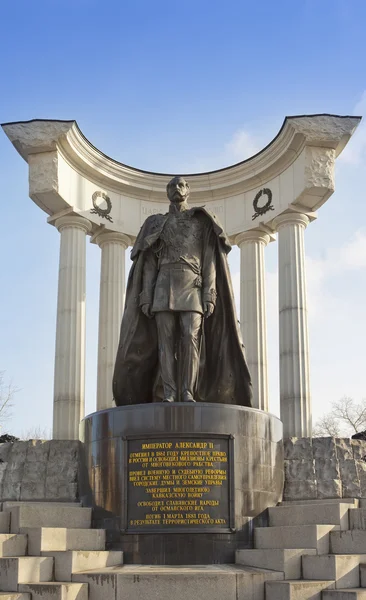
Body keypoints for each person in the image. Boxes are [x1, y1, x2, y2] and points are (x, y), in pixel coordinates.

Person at [113, 176, 252, 407]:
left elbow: (209, 261)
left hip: (192, 286)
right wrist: (146, 295)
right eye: (171, 186)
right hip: (162, 286)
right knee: (164, 342)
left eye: (180, 185)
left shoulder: (201, 222)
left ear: (188, 190)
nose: (176, 188)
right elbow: (148, 264)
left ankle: (187, 392)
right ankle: (169, 392)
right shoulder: (156, 223)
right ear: (166, 192)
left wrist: (209, 294)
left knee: (190, 337)